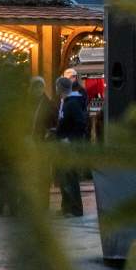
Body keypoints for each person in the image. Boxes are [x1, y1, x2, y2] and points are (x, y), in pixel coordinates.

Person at [54, 76, 88, 217]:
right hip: (64, 145)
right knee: (65, 177)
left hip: (69, 146)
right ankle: (67, 207)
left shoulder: (72, 104)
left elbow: (81, 123)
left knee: (70, 177)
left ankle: (75, 208)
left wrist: (69, 139)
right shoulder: (67, 102)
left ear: (60, 88)